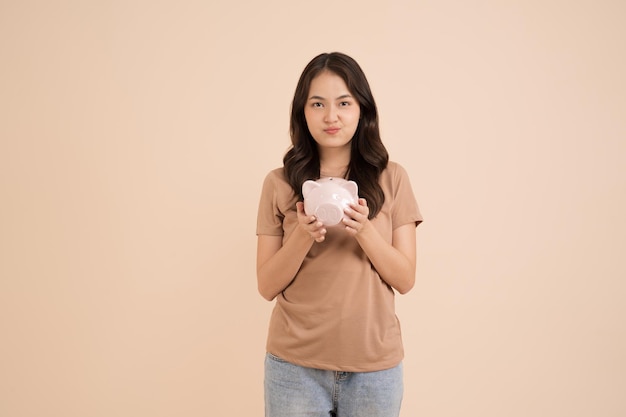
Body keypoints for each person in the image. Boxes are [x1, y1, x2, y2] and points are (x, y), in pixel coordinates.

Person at [256, 52, 423, 417]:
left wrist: (364, 231)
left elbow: (405, 278)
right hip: (293, 367)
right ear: (303, 111)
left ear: (361, 109)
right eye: (318, 104)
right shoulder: (279, 183)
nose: (331, 116)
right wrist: (301, 235)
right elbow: (266, 285)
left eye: (343, 103)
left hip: (374, 369)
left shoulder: (392, 178)